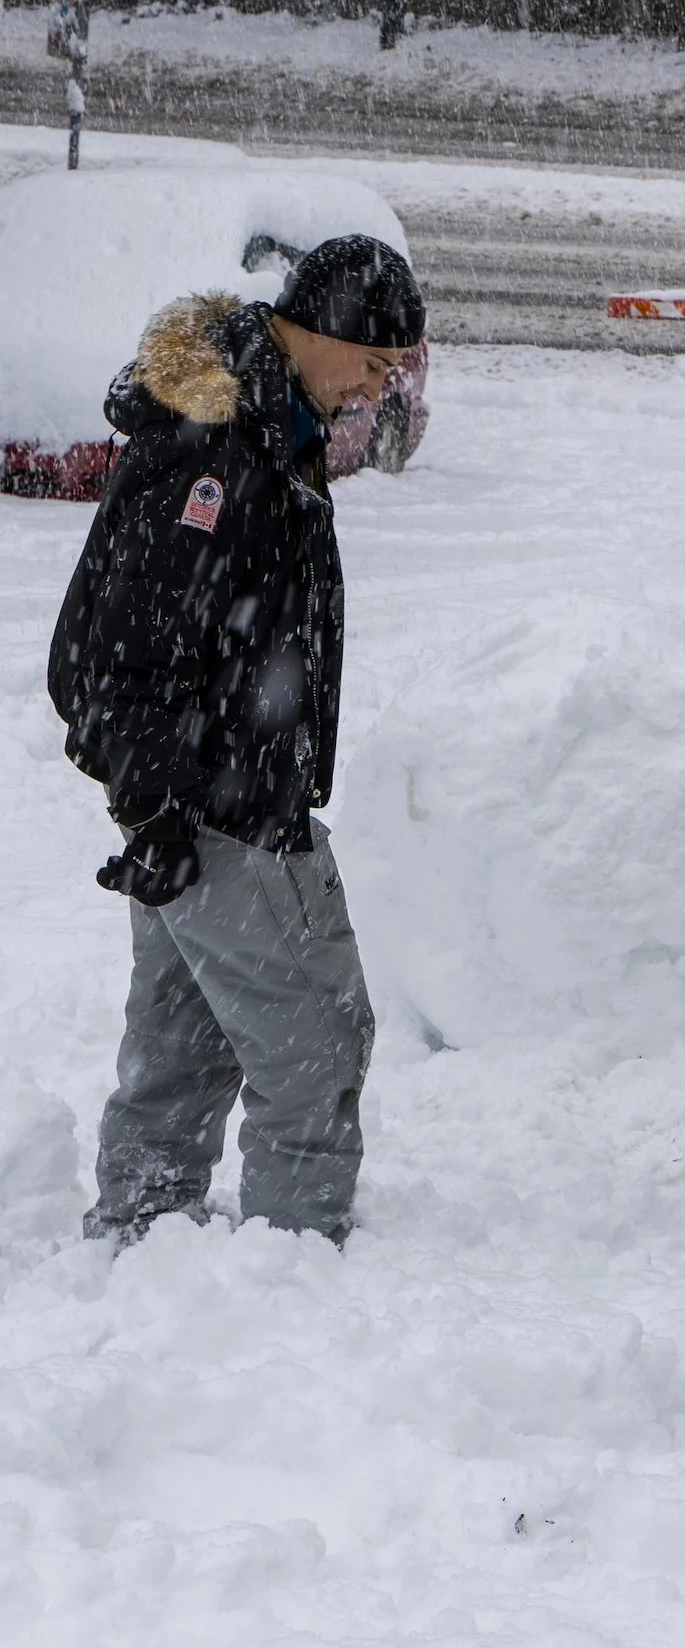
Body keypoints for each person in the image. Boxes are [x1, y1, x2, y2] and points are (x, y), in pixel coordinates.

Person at [48, 235, 427, 1245]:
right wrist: (162, 805)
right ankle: (295, 1267)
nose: (380, 387)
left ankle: (139, 1231)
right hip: (221, 804)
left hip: (201, 795)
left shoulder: (265, 419)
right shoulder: (215, 448)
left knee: (187, 1038)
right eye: (375, 362)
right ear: (313, 330)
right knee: (315, 1041)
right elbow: (114, 649)